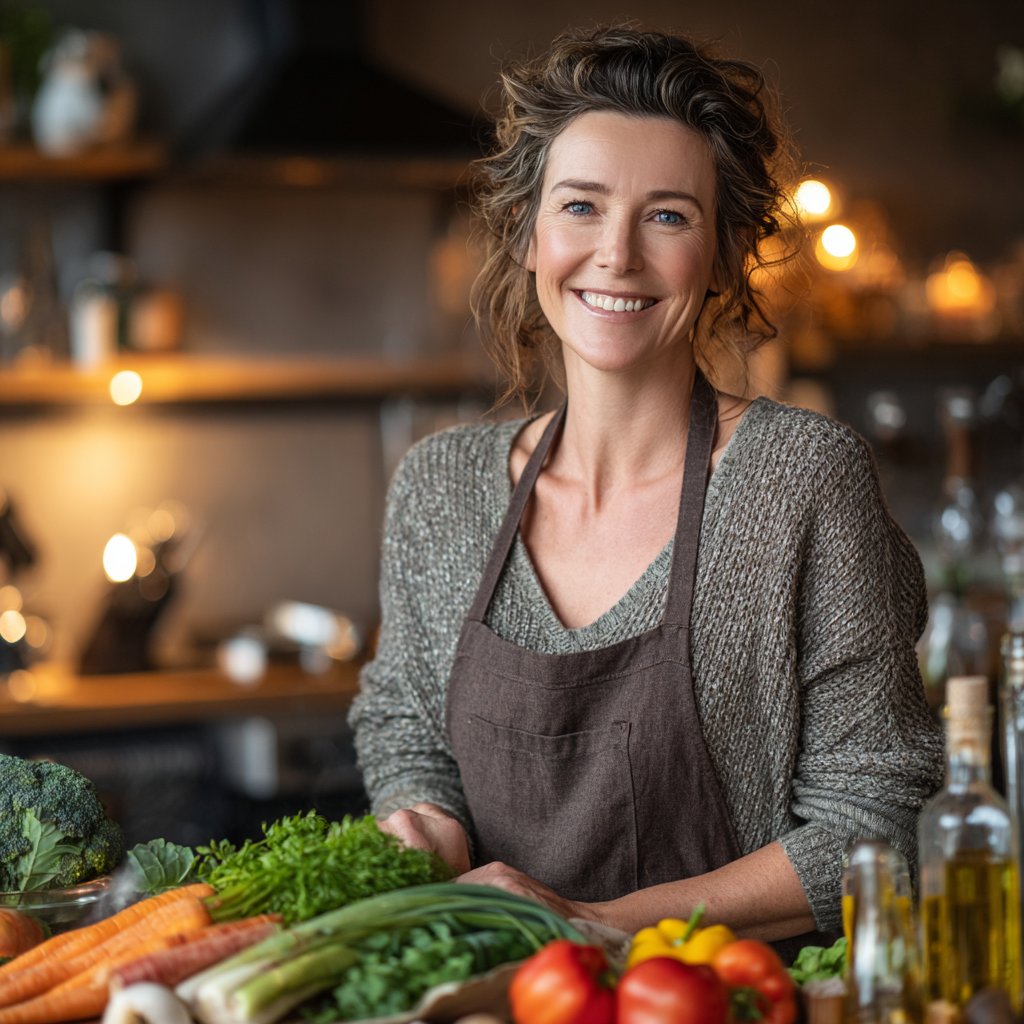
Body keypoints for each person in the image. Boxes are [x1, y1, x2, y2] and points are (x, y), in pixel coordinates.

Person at [350, 25, 943, 957]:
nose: (616, 255)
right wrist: (424, 824)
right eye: (580, 207)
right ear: (529, 233)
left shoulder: (800, 481)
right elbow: (407, 729)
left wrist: (591, 927)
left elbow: (877, 826)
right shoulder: (441, 488)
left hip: (724, 1000)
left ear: (722, 254)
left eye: (667, 215)